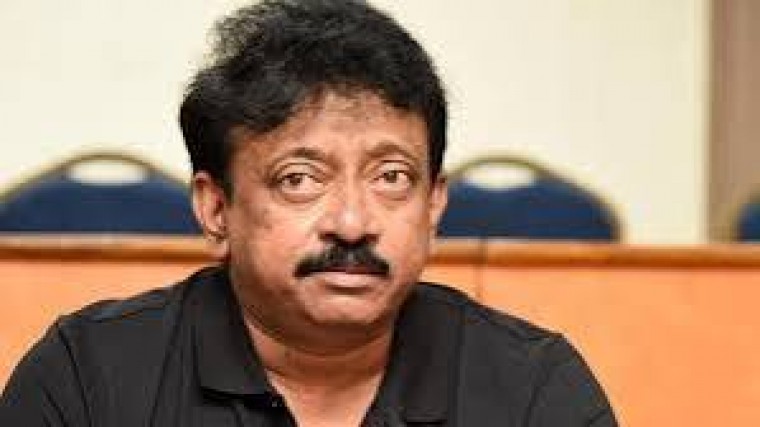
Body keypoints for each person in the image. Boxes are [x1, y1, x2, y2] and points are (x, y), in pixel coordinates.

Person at [0, 1, 617, 425]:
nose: (352, 223)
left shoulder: (532, 389)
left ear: (434, 204)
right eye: (300, 179)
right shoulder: (87, 380)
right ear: (216, 208)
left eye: (392, 177)